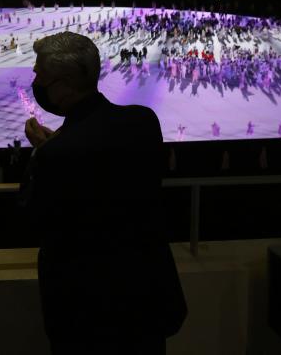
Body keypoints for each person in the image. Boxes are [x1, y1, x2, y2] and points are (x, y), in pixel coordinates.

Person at [21, 31, 186, 353]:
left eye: (40, 75)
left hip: (86, 314)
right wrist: (57, 147)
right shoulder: (143, 122)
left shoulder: (57, 155)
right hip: (147, 301)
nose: (36, 81)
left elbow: (33, 221)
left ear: (64, 84)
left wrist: (41, 155)